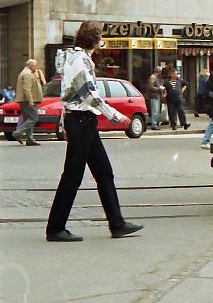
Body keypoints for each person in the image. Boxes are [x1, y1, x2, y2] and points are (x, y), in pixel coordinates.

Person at [46, 21, 143, 242]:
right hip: (81, 121)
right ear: (94, 40)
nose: (102, 41)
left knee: (103, 172)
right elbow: (90, 96)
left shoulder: (76, 57)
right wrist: (118, 117)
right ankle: (55, 228)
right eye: (100, 37)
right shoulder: (80, 60)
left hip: (83, 122)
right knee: (73, 176)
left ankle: (117, 224)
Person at [12, 59, 45, 146]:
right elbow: (27, 89)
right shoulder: (27, 74)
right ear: (30, 65)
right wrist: (30, 100)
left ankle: (30, 139)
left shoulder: (24, 73)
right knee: (34, 118)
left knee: (28, 119)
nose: (36, 67)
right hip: (27, 101)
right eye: (35, 65)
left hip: (24, 100)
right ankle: (18, 132)